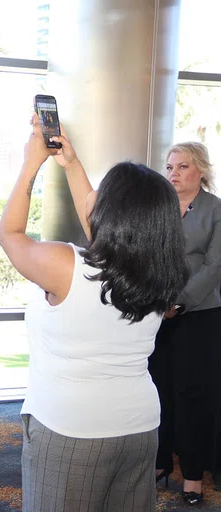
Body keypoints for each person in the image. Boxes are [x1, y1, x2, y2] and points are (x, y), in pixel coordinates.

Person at [0, 115, 189, 511]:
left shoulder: (64, 264)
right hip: (139, 427)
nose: (96, 194)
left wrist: (30, 163)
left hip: (72, 430)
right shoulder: (157, 275)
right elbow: (106, 234)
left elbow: (11, 236)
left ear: (113, 212)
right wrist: (70, 164)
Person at [148, 141, 221, 505]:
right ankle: (160, 463)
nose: (173, 174)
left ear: (202, 171)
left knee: (192, 394)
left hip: (199, 314)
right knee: (157, 389)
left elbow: (214, 266)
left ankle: (192, 474)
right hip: (154, 314)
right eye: (170, 167)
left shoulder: (216, 210)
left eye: (183, 167)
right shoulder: (158, 208)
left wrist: (179, 301)